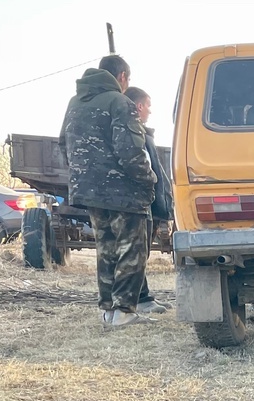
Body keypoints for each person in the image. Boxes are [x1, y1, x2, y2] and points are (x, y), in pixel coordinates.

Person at [59, 54, 157, 329]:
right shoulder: (120, 102)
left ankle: (108, 311)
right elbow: (130, 151)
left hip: (88, 192)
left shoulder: (74, 102)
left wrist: (84, 176)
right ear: (123, 77)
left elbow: (64, 144)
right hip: (123, 192)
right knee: (131, 249)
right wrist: (149, 179)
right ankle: (124, 311)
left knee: (106, 249)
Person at [124, 86, 173, 314]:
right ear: (139, 106)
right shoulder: (133, 133)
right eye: (148, 106)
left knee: (140, 255)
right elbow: (147, 170)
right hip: (141, 204)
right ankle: (139, 301)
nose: (150, 112)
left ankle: (143, 298)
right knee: (136, 255)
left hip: (149, 204)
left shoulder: (141, 133)